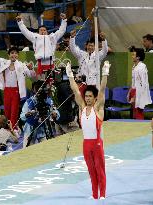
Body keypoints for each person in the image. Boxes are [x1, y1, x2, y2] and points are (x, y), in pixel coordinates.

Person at [66, 60, 111, 199]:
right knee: (91, 171)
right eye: (86, 96)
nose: (88, 98)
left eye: (90, 96)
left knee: (99, 170)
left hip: (97, 143)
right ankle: (94, 195)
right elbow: (74, 88)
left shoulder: (98, 108)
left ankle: (102, 194)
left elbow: (102, 89)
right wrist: (69, 74)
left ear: (95, 98)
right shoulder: (82, 107)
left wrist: (105, 72)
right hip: (86, 144)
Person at [0, 35, 36, 127]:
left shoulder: (22, 65)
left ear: (18, 55)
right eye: (12, 53)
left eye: (15, 53)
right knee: (7, 111)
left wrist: (31, 69)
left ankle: (13, 128)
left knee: (14, 112)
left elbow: (31, 75)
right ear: (9, 55)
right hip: (7, 91)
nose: (13, 55)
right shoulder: (3, 62)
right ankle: (7, 128)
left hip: (16, 91)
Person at [20, 80, 60, 148]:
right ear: (34, 90)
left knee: (48, 147)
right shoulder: (29, 101)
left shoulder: (48, 101)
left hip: (44, 128)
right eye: (37, 89)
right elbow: (22, 116)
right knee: (27, 150)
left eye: (41, 88)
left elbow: (57, 114)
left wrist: (55, 114)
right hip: (31, 128)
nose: (39, 91)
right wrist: (27, 114)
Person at [127, 47, 152, 120]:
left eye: (133, 55)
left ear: (138, 57)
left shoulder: (142, 67)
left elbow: (143, 84)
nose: (132, 56)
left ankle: (140, 126)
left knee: (139, 112)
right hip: (134, 91)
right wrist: (129, 92)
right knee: (135, 113)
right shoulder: (135, 66)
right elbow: (134, 82)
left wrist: (135, 96)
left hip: (139, 92)